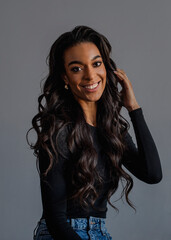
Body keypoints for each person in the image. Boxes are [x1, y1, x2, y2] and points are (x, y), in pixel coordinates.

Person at [26, 25, 163, 240]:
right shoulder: (59, 131)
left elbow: (153, 174)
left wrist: (134, 108)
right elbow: (55, 221)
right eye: (76, 68)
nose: (90, 75)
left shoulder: (110, 130)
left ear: (105, 67)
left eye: (96, 64)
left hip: (99, 233)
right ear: (64, 77)